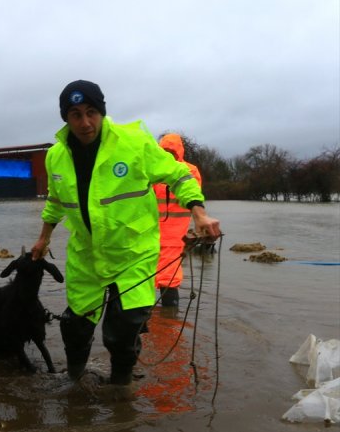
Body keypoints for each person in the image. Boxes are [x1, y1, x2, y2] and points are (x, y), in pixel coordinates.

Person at [30, 80, 221, 387]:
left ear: (103, 112)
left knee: (122, 331)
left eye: (91, 112)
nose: (85, 122)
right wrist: (44, 236)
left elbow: (179, 175)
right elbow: (55, 201)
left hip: (133, 254)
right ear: (65, 118)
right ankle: (75, 379)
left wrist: (199, 212)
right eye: (75, 114)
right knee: (75, 325)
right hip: (86, 255)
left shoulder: (134, 144)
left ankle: (121, 390)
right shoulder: (56, 156)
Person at [154, 133, 203, 308]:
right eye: (164, 152)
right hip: (150, 235)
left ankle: (167, 321)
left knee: (169, 278)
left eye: (172, 152)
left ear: (180, 152)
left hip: (175, 237)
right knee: (142, 278)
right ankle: (159, 322)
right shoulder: (152, 170)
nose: (169, 156)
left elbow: (192, 192)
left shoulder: (190, 171)